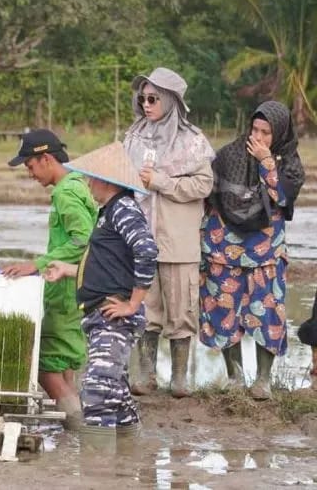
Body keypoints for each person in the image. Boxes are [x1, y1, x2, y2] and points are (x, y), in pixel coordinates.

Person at [43, 141, 158, 451]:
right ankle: (131, 455)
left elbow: (147, 250)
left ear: (107, 181)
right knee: (114, 392)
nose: (89, 183)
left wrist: (133, 304)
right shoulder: (109, 211)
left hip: (114, 315)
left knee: (96, 389)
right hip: (101, 314)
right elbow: (106, 258)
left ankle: (97, 469)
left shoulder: (123, 208)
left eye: (92, 178)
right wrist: (69, 270)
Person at [199, 101, 305, 400]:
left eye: (266, 133)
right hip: (224, 247)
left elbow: (282, 197)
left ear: (280, 133)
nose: (257, 137)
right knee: (223, 309)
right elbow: (211, 199)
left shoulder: (290, 164)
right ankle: (234, 378)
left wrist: (267, 162)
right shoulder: (227, 155)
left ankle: (262, 381)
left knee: (268, 311)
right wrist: (206, 244)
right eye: (254, 130)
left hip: (265, 252)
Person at [123, 67, 215, 398]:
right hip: (139, 239)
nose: (146, 104)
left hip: (179, 241)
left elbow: (204, 184)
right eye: (142, 98)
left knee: (181, 309)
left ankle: (179, 377)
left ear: (171, 101)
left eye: (153, 98)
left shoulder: (193, 141)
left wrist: (161, 181)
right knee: (145, 308)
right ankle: (146, 376)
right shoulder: (133, 136)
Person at [2, 129, 97, 430]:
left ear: (46, 159)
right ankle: (76, 430)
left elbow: (82, 240)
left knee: (44, 366)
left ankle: (80, 427)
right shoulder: (77, 185)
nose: (30, 174)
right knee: (64, 362)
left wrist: (37, 264)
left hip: (66, 288)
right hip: (76, 287)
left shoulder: (65, 193)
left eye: (30, 166)